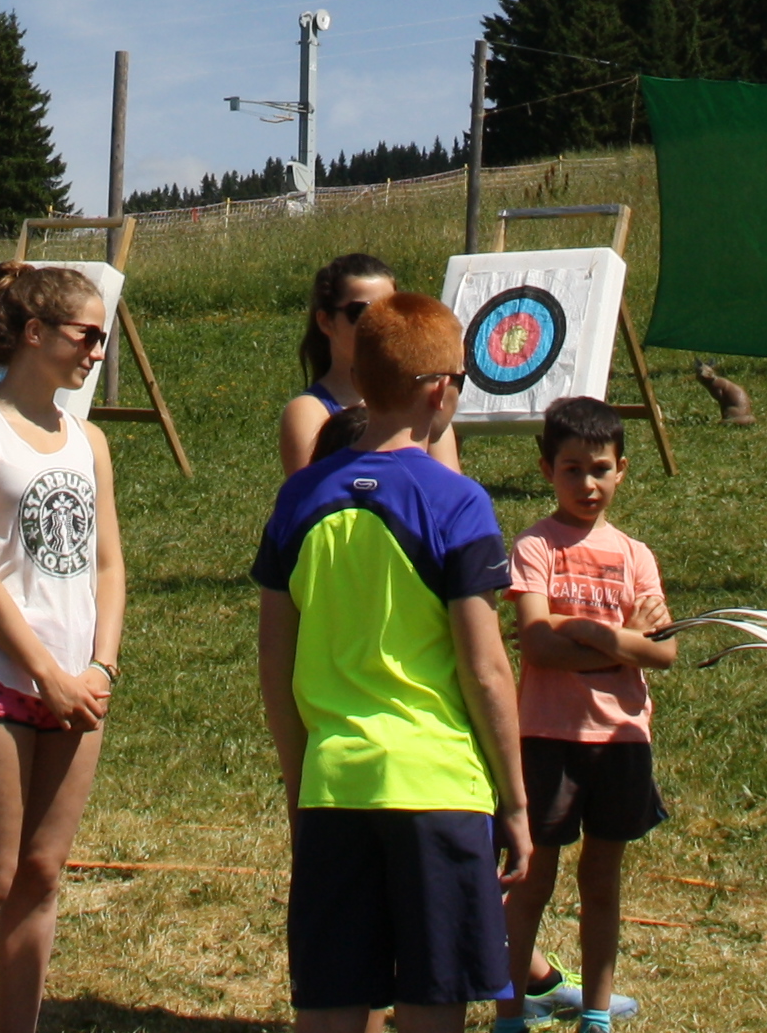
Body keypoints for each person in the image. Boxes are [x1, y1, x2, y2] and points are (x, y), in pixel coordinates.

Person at [255, 292, 531, 1033]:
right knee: (434, 997)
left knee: (330, 999)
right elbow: (485, 670)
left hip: (332, 784)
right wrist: (517, 801)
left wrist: (299, 780)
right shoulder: (459, 501)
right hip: (436, 783)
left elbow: (273, 666)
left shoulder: (296, 500)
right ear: (440, 388)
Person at [0, 261, 129, 1033]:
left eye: (102, 336)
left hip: (80, 686)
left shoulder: (89, 440)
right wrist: (44, 673)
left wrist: (98, 668)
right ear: (37, 333)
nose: (96, 350)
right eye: (87, 335)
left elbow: (110, 563)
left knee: (43, 874)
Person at [493, 399, 674, 1033]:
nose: (587, 484)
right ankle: (509, 1012)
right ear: (546, 470)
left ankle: (596, 1012)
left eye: (600, 469)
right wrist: (621, 640)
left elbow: (666, 650)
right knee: (530, 881)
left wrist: (587, 631)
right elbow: (536, 644)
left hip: (622, 739)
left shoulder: (636, 554)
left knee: (602, 880)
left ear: (622, 469)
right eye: (572, 470)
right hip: (547, 737)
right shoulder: (536, 545)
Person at [278, 252, 461, 476]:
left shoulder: (423, 396)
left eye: (392, 311)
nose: (380, 325)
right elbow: (313, 501)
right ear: (326, 321)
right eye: (362, 312)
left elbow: (450, 492)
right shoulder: (308, 411)